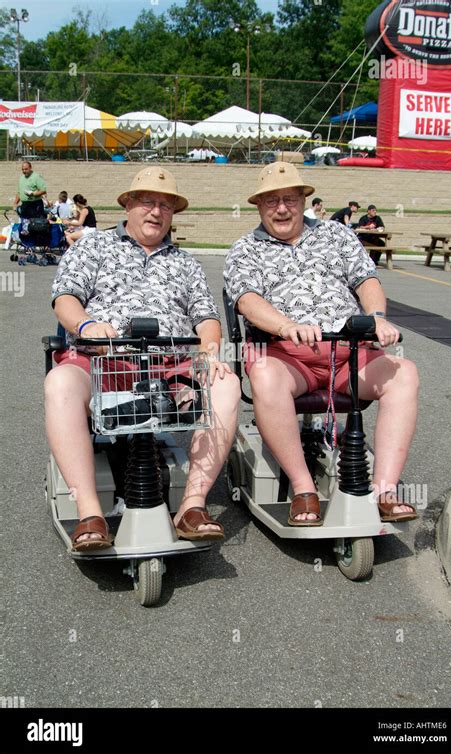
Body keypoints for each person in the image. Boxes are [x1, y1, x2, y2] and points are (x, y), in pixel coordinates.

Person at [45, 167, 240, 550]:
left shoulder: (185, 263)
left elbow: (205, 318)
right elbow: (65, 299)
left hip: (170, 363)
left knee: (226, 382)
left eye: (166, 205)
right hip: (105, 359)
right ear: (128, 205)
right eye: (148, 202)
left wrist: (211, 353)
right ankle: (90, 513)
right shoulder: (92, 246)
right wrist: (87, 325)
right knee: (60, 383)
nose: (156, 211)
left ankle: (192, 506)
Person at [224, 162, 419, 526]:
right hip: (287, 357)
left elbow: (366, 279)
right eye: (271, 201)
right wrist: (286, 325)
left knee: (404, 373)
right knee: (264, 375)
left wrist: (376, 315)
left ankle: (384, 490)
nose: (281, 208)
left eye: (289, 199)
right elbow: (246, 300)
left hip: (348, 354)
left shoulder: (337, 235)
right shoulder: (245, 249)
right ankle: (302, 488)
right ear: (259, 206)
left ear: (303, 201)